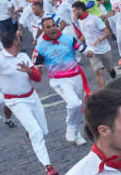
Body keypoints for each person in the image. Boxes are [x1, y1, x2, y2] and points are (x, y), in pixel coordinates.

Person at [0, 31, 59, 175]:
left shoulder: (23, 56)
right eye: (19, 39)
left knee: (43, 130)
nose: (21, 40)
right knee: (36, 132)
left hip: (32, 97)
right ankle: (48, 166)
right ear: (15, 41)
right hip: (15, 101)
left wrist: (29, 71)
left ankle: (30, 132)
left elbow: (38, 78)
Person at [34, 17, 91, 146]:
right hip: (59, 81)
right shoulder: (40, 47)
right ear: (43, 30)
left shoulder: (68, 38)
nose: (52, 28)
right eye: (48, 27)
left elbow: (82, 48)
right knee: (74, 103)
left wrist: (88, 52)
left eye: (54, 25)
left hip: (76, 77)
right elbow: (35, 66)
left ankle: (77, 134)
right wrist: (37, 69)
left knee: (78, 106)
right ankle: (70, 128)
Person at [73, 2, 116, 89]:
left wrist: (99, 39)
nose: (73, 14)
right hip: (91, 50)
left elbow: (107, 32)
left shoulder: (94, 19)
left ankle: (110, 70)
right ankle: (104, 92)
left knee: (109, 68)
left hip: (104, 49)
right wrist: (81, 39)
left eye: (74, 11)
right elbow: (87, 33)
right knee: (97, 72)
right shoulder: (79, 21)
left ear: (80, 10)